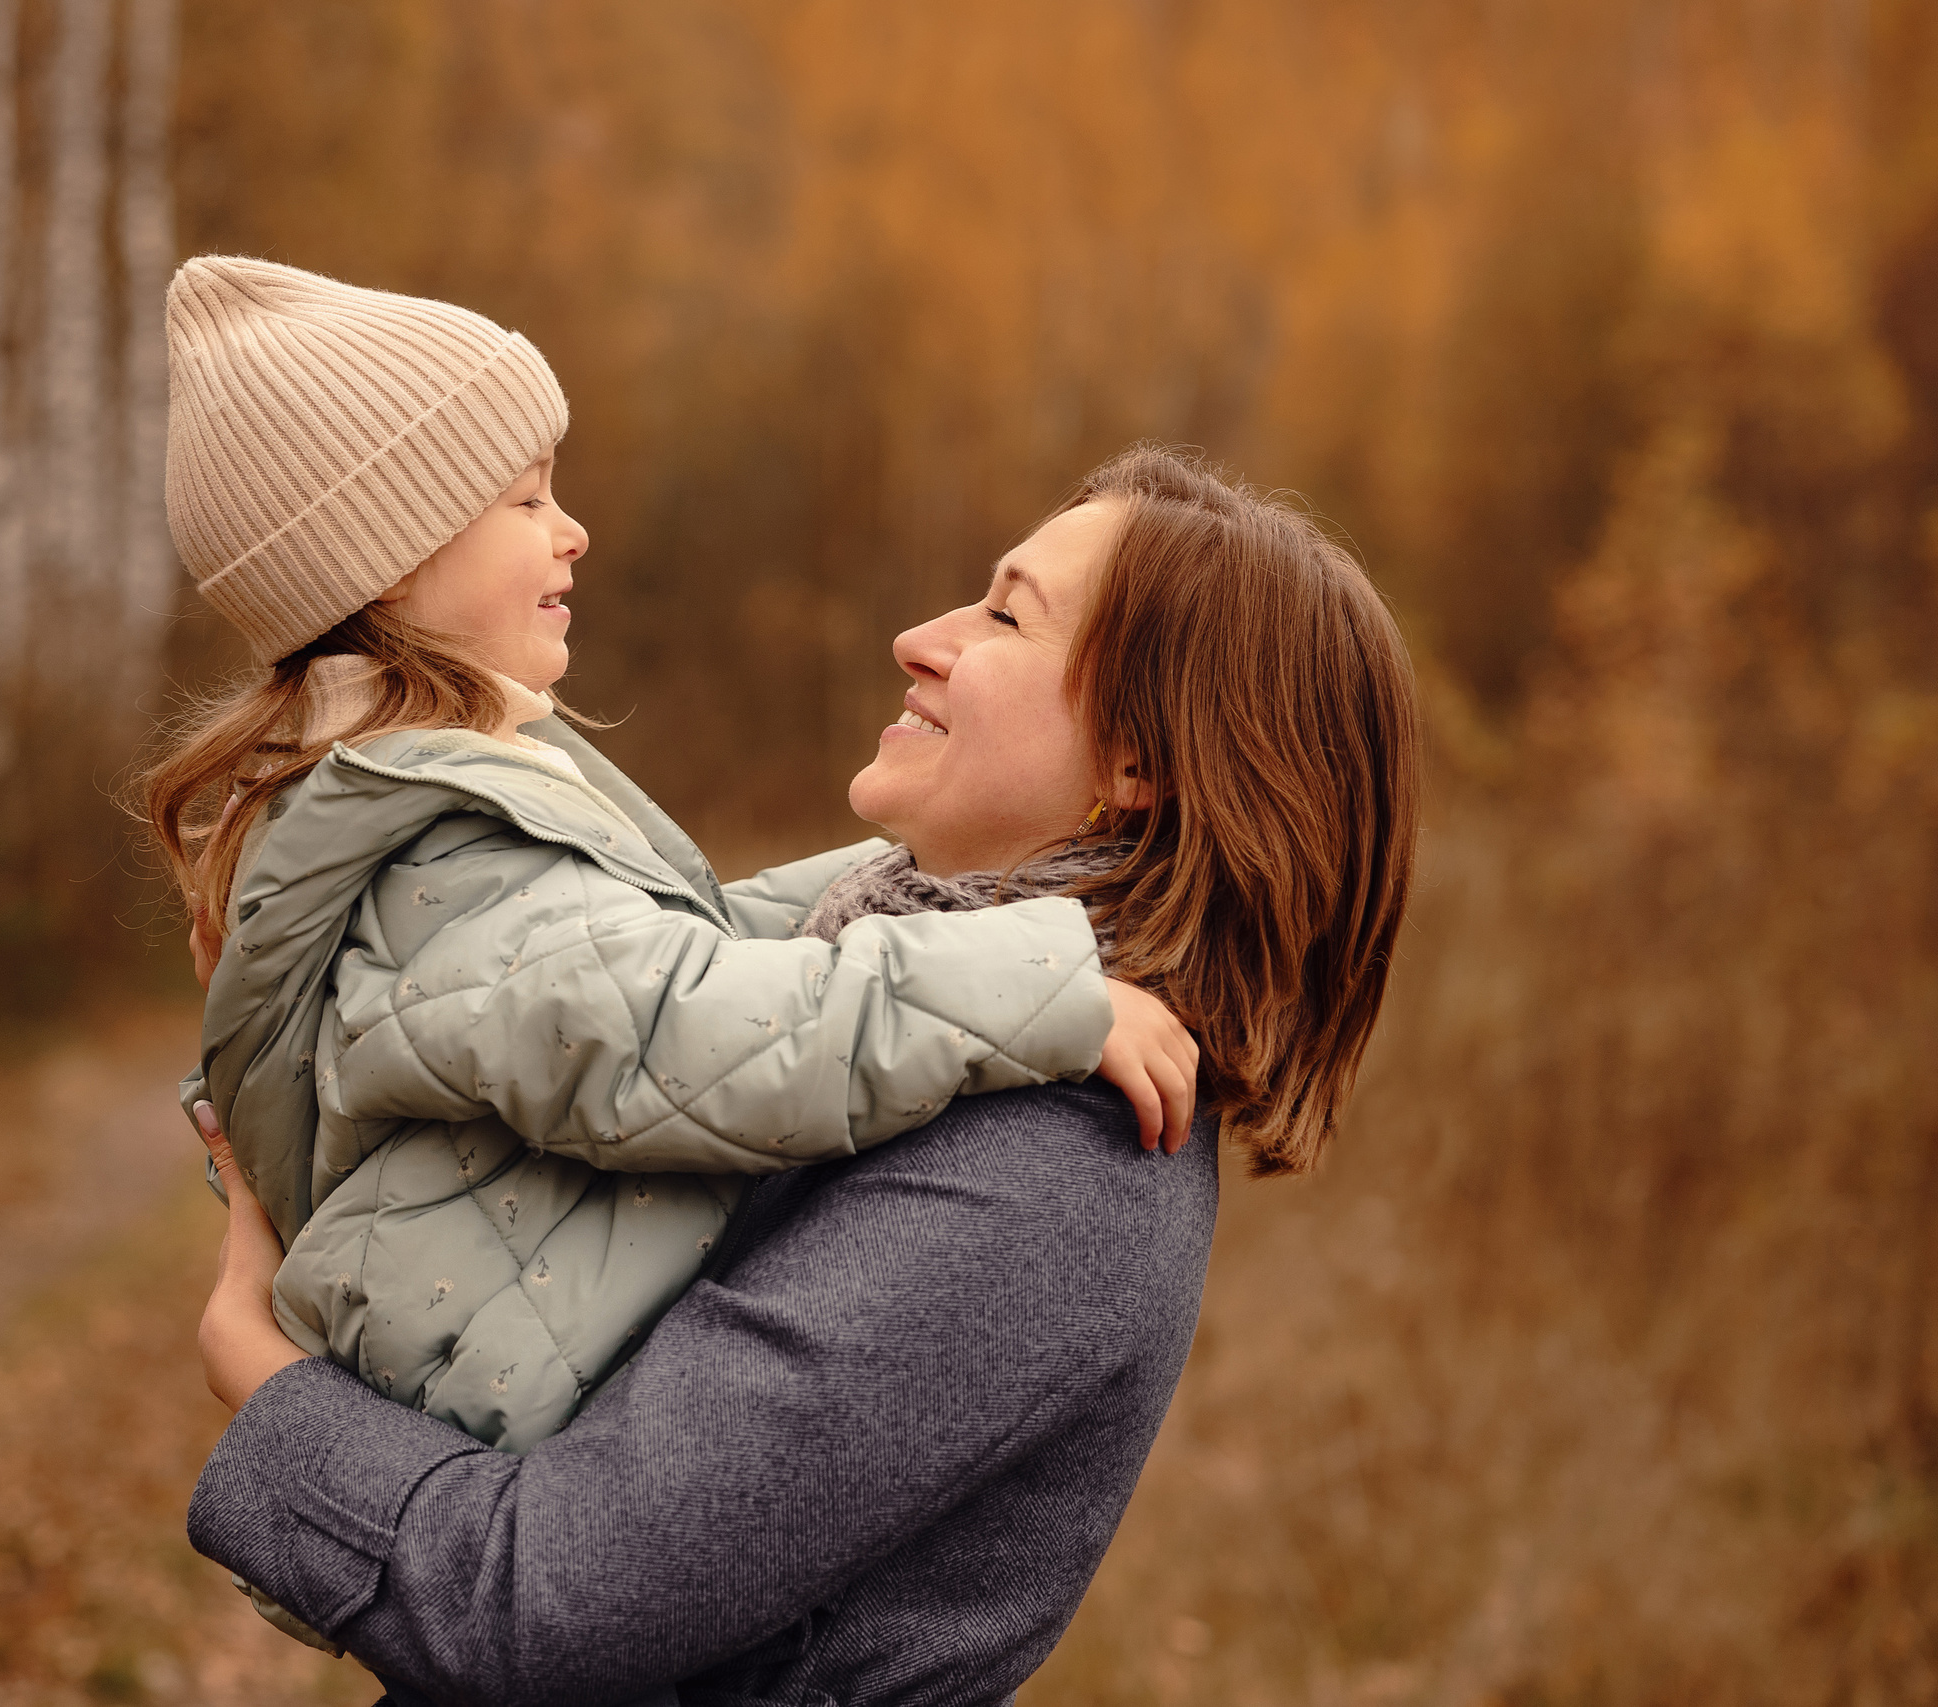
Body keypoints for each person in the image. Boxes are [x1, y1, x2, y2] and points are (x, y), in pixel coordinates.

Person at [187, 444, 1423, 1705]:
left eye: (1005, 617)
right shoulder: (878, 976)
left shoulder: (1056, 1163)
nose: (918, 639)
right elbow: (609, 1005)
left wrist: (264, 1377)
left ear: (1135, 765)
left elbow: (542, 1605)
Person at [142, 259, 1198, 1652]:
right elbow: (678, 1026)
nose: (572, 531)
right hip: (488, 1409)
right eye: (525, 499)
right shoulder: (442, 833)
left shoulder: (419, 794)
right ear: (388, 555)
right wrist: (1034, 978)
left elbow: (688, 948)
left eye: (1005, 615)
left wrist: (936, 900)